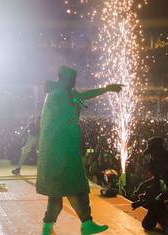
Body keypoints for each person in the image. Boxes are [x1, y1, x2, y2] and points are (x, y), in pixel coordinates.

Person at [36, 66, 123, 235]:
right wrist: (102, 91)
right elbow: (76, 104)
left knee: (57, 192)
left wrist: (105, 90)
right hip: (62, 151)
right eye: (73, 81)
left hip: (56, 151)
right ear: (67, 80)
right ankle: (86, 223)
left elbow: (81, 97)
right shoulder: (60, 95)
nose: (75, 84)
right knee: (76, 188)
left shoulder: (58, 93)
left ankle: (48, 227)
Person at [136, 136, 168, 234]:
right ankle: (162, 217)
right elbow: (156, 178)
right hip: (162, 195)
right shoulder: (154, 161)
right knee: (147, 224)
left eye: (153, 152)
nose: (151, 155)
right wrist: (143, 185)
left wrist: (159, 197)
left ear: (159, 149)